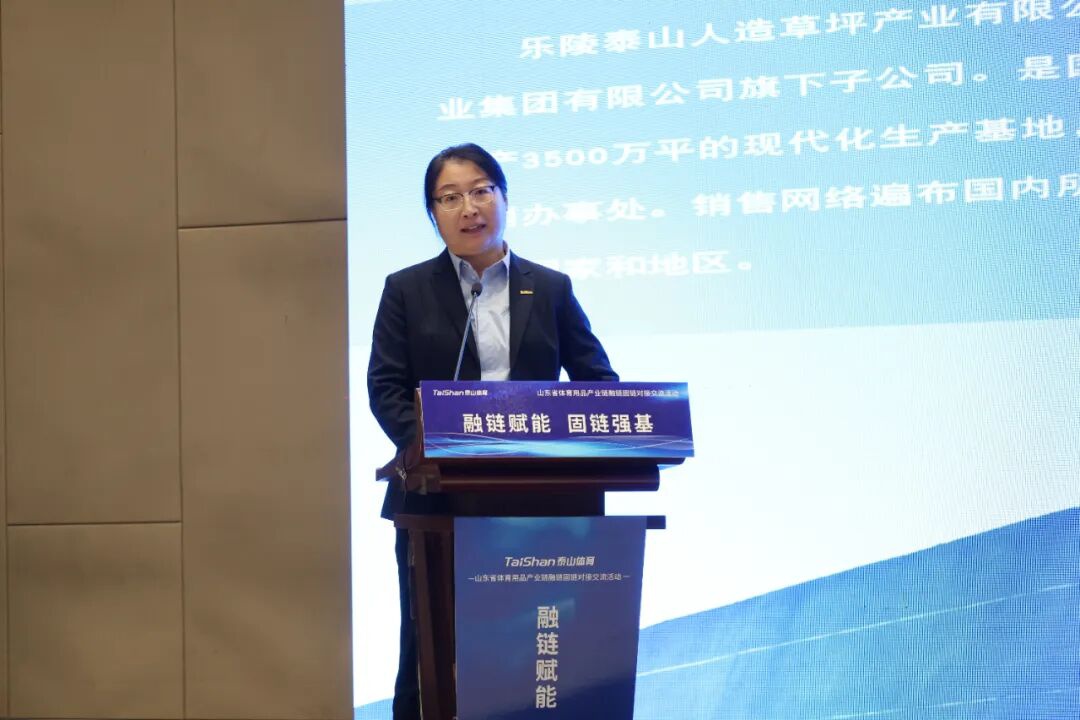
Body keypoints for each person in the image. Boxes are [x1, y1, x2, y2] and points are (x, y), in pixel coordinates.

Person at [366, 143, 618, 720]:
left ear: (504, 198)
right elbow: (386, 387)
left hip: (539, 507)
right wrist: (431, 447)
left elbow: (597, 381)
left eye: (481, 190)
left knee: (535, 654)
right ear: (433, 214)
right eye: (449, 197)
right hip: (437, 502)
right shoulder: (406, 289)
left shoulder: (549, 288)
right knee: (432, 652)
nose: (469, 208)